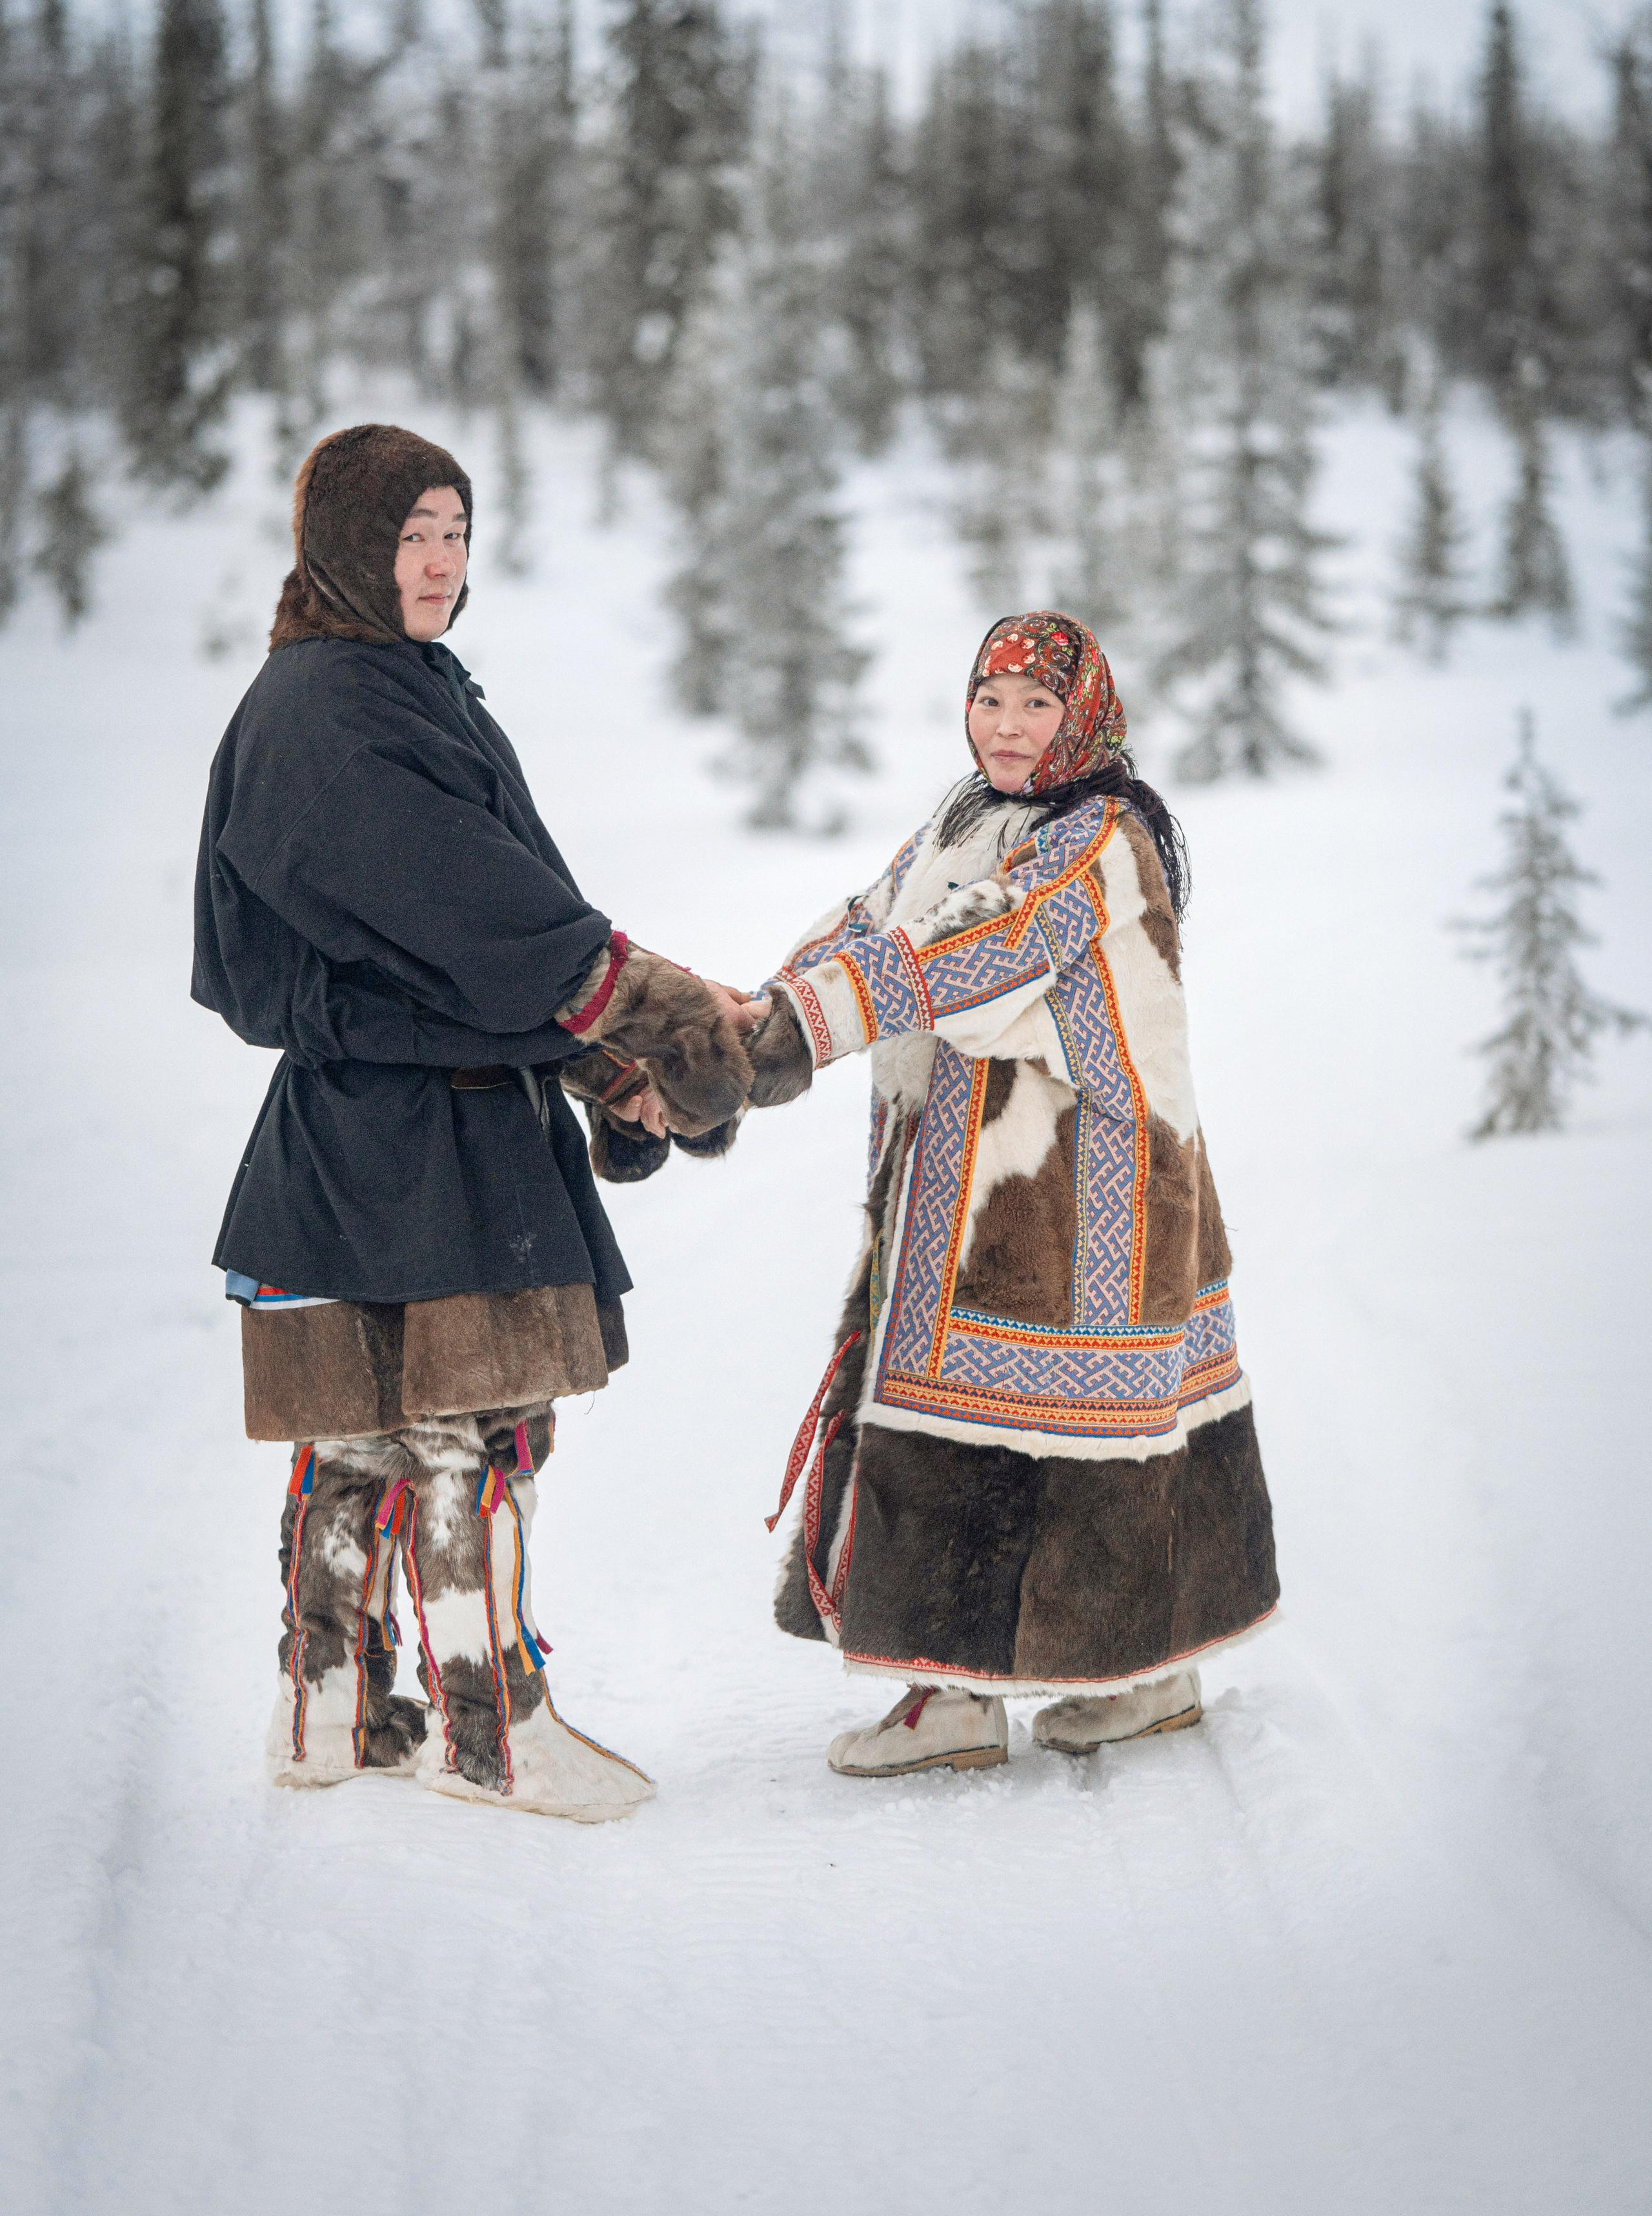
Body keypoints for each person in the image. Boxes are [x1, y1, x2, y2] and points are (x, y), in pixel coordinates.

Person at [194, 422, 761, 1822]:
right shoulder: (340, 708)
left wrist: (589, 1062)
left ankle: (329, 1714)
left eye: (454, 528)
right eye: (408, 534)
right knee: (470, 1431)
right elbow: (490, 921)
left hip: (343, 1136)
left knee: (357, 1435)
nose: (439, 560)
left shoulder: (362, 688)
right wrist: (649, 1017)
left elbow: (447, 949)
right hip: (423, 1147)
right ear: (342, 548)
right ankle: (493, 1731)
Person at [745, 611, 1279, 1777]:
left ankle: (974, 1700)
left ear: (1083, 715)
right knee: (1034, 1425)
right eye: (992, 700)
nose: (1009, 726)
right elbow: (880, 921)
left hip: (1083, 1198)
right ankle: (1118, 1681)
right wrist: (751, 1024)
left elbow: (982, 950)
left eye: (1037, 704)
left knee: (1028, 1429)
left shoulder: (1097, 838)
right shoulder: (969, 818)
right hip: (996, 1185)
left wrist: (807, 1024)